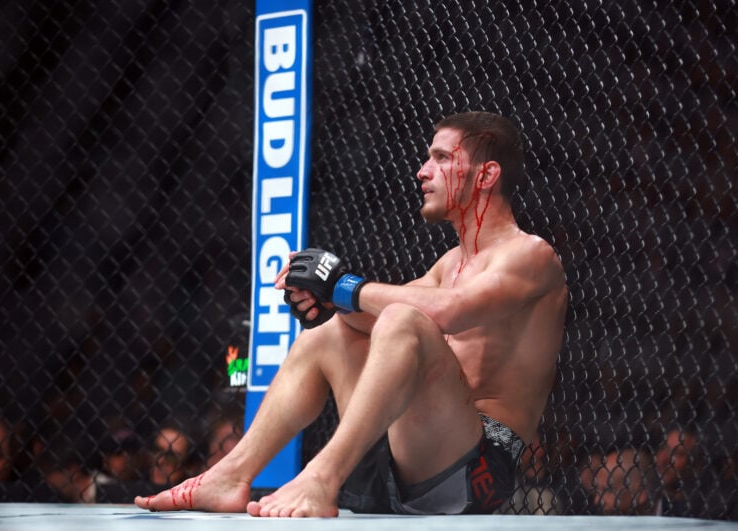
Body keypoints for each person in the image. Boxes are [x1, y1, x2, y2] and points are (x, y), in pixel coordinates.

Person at [135, 111, 568, 516]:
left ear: (487, 174)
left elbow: (446, 313)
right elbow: (372, 316)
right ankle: (229, 475)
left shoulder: (530, 255)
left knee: (401, 318)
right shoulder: (448, 265)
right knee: (328, 333)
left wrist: (346, 288)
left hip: (476, 475)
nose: (422, 170)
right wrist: (330, 301)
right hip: (402, 464)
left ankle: (321, 478)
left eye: (440, 157)